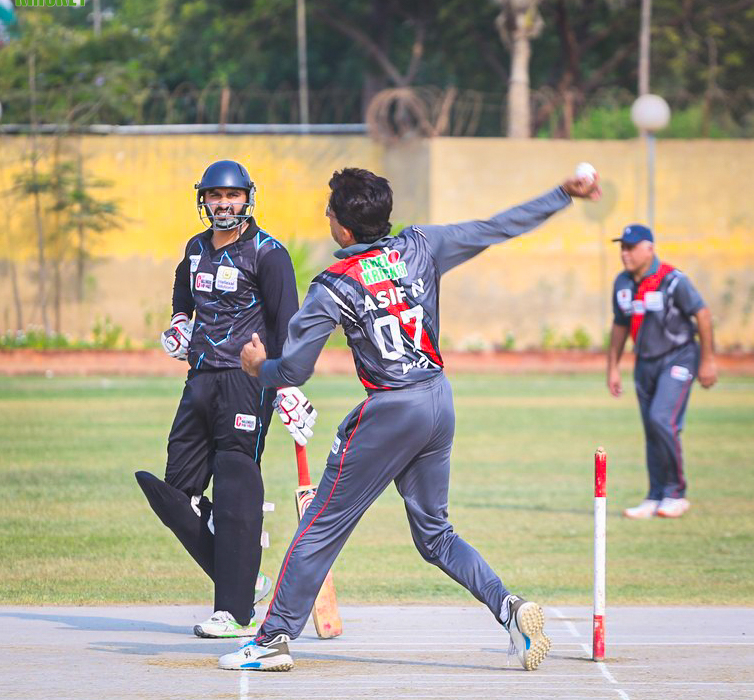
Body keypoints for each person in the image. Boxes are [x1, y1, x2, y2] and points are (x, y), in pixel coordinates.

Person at [217, 166, 601, 672]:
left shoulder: (332, 285)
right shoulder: (421, 245)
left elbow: (294, 370)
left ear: (343, 228)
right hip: (438, 400)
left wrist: (257, 368)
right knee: (435, 534)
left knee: (321, 524)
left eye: (329, 212)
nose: (327, 217)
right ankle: (509, 609)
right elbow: (496, 228)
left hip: (392, 409)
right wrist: (561, 194)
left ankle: (271, 639)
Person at [134, 160, 317, 639]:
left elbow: (288, 325)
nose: (223, 204)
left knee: (236, 484)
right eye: (215, 195)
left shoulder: (268, 253)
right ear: (204, 200)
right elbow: (183, 291)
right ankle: (244, 575)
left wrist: (287, 386)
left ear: (247, 198)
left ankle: (234, 613)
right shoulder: (195, 249)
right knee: (177, 493)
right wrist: (180, 322)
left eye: (232, 195)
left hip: (246, 381)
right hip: (199, 379)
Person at [606, 224, 717, 519]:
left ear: (649, 249)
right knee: (652, 428)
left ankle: (675, 493)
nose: (625, 253)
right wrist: (613, 367)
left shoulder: (672, 280)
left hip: (679, 357)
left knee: (662, 419)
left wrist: (708, 360)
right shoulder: (622, 283)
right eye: (622, 248)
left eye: (631, 247)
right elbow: (620, 325)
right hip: (645, 362)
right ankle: (655, 495)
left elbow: (702, 313)